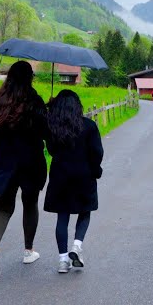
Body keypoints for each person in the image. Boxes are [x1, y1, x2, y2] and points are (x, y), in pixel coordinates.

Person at [0, 61, 49, 278]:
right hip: (30, 161)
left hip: (3, 162)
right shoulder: (34, 101)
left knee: (3, 208)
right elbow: (46, 131)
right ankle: (29, 251)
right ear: (30, 77)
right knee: (30, 204)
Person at [43, 89, 104, 273]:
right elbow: (97, 153)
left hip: (60, 176)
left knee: (63, 216)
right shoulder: (89, 126)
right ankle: (77, 246)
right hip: (84, 175)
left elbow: (52, 151)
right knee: (85, 211)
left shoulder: (53, 128)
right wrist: (96, 170)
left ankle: (62, 261)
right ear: (77, 106)